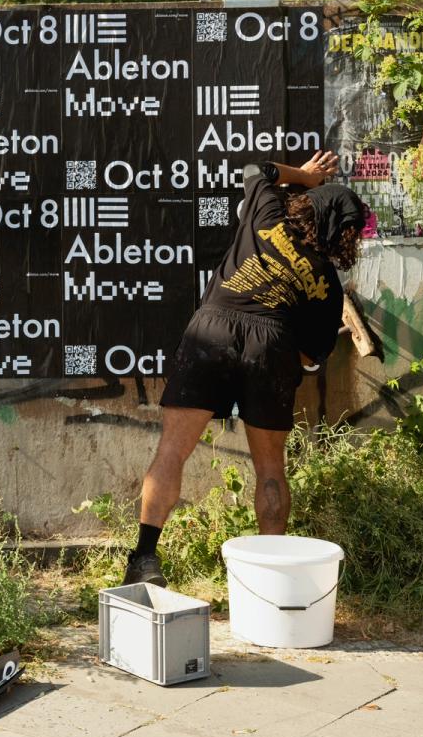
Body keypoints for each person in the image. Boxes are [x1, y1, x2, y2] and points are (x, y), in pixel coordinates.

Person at [124, 151, 368, 586]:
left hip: (212, 329)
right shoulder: (328, 287)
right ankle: (271, 579)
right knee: (271, 469)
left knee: (171, 451)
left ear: (309, 204)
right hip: (273, 347)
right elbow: (309, 359)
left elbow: (257, 169)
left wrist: (306, 176)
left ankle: (144, 559)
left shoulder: (267, 211)